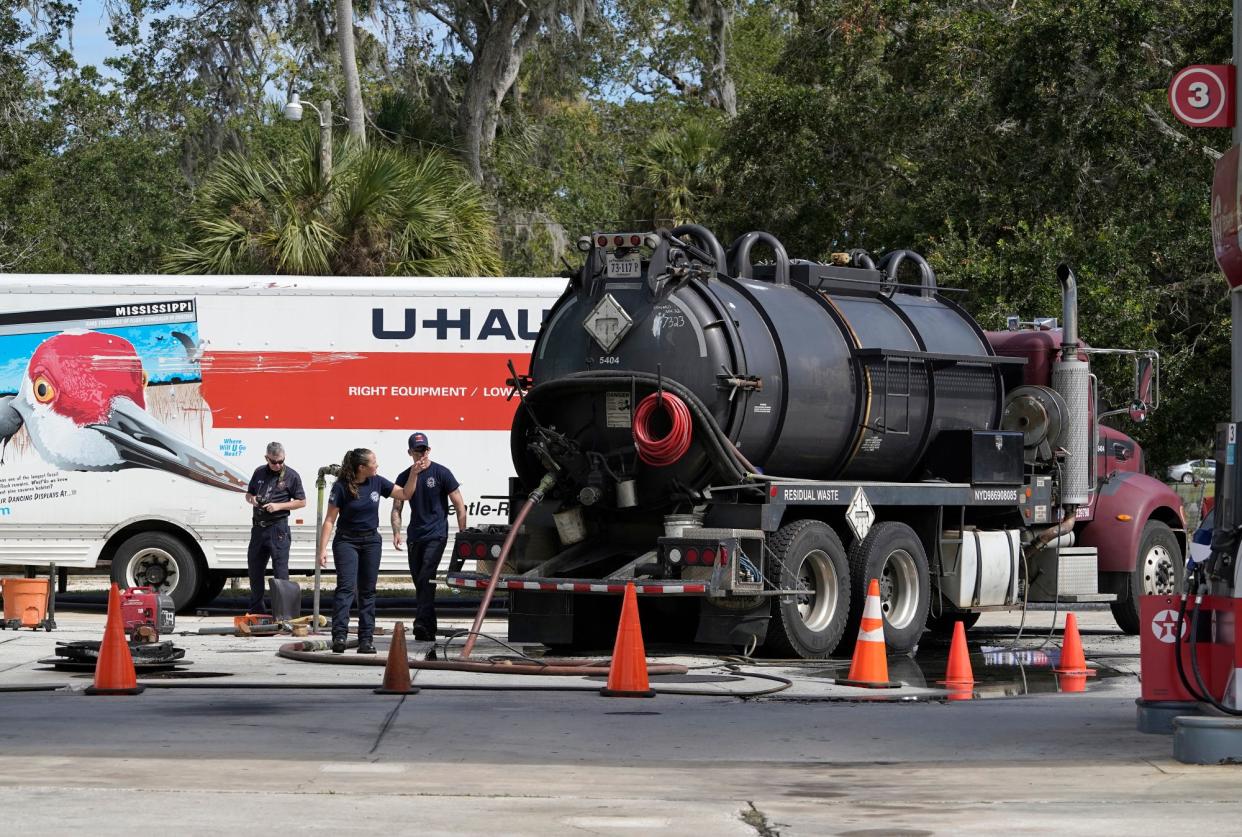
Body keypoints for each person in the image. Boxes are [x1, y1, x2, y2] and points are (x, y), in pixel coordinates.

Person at [318, 448, 417, 654]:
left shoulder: (377, 481)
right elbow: (329, 520)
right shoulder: (341, 487)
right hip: (347, 541)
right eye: (374, 462)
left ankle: (366, 639)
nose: (377, 465)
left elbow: (405, 494)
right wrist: (322, 549)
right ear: (362, 467)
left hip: (371, 541)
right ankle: (340, 636)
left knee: (368, 591)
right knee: (346, 588)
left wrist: (414, 474)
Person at [391, 432, 467, 642]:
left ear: (429, 450)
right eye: (417, 451)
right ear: (410, 453)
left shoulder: (442, 473)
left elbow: (459, 504)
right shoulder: (404, 476)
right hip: (415, 535)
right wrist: (396, 531)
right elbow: (397, 507)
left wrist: (462, 532)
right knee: (421, 582)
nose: (421, 454)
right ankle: (428, 627)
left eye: (424, 450)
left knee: (426, 576)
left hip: (436, 534)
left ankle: (420, 624)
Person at [244, 442, 306, 614]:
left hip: (278, 528)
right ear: (267, 458)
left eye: (281, 461)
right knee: (255, 570)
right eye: (274, 462)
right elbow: (248, 493)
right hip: (258, 528)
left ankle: (283, 613)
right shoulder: (259, 472)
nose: (278, 465)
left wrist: (278, 506)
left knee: (280, 572)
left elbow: (301, 501)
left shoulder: (291, 475)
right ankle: (257, 609)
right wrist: (252, 499)